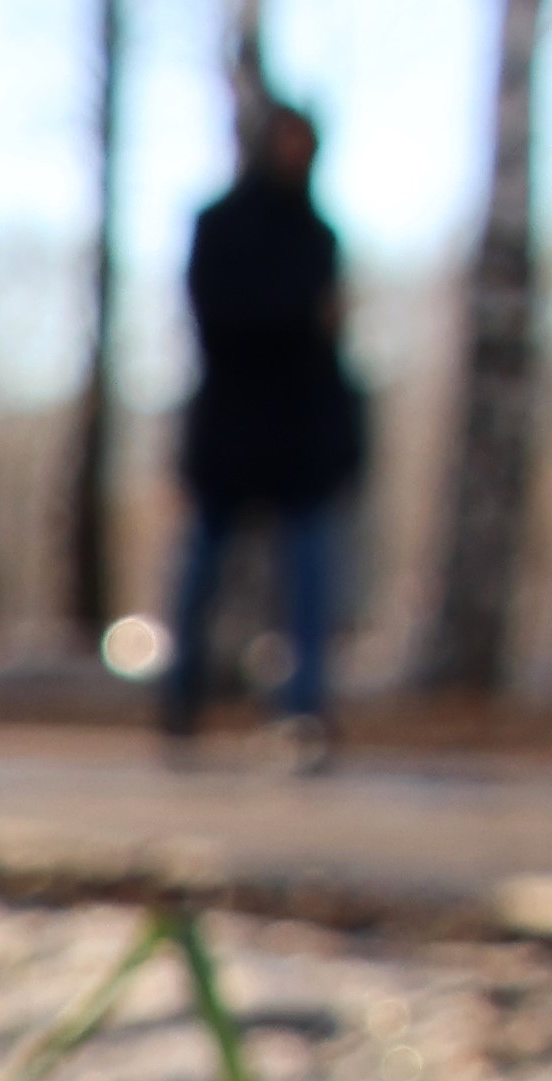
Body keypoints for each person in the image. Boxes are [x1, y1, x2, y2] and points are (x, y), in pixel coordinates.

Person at [166, 94, 364, 767]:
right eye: (286, 141)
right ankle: (181, 700)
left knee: (309, 578)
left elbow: (333, 346)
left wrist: (347, 438)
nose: (295, 155)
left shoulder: (319, 235)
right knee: (202, 574)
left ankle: (302, 710)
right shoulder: (219, 226)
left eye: (305, 143)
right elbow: (217, 320)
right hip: (231, 433)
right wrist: (298, 318)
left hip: (302, 440)